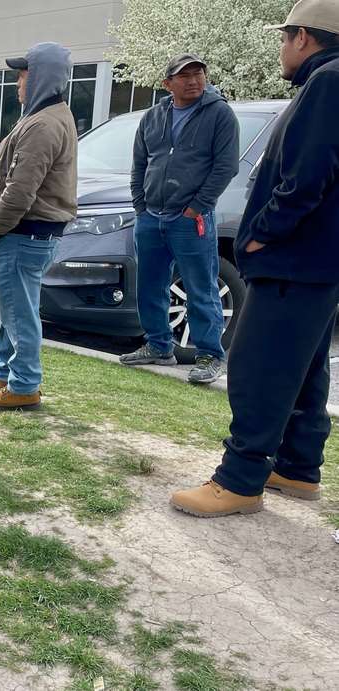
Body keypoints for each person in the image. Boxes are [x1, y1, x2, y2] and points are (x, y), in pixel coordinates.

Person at [171, 1, 339, 518]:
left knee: (259, 365)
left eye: (285, 37)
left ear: (304, 37)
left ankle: (240, 478)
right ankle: (296, 466)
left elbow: (308, 175)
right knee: (305, 364)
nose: (282, 47)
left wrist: (262, 235)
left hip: (295, 257)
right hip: (316, 261)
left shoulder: (328, 82)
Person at [0, 43, 79, 412]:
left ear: (41, 78)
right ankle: (4, 370)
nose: (18, 83)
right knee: (10, 305)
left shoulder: (43, 123)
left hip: (23, 232)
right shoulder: (43, 115)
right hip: (24, 232)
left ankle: (24, 385)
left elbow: (21, 188)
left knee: (19, 312)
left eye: (22, 75)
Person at [121, 54, 239, 384]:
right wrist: (140, 206)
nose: (193, 80)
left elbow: (225, 167)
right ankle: (159, 345)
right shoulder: (153, 117)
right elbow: (140, 165)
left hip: (191, 219)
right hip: (151, 217)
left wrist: (196, 207)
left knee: (201, 287)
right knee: (150, 284)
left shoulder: (220, 115)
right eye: (184, 75)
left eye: (198, 73)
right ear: (167, 83)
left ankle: (210, 355)